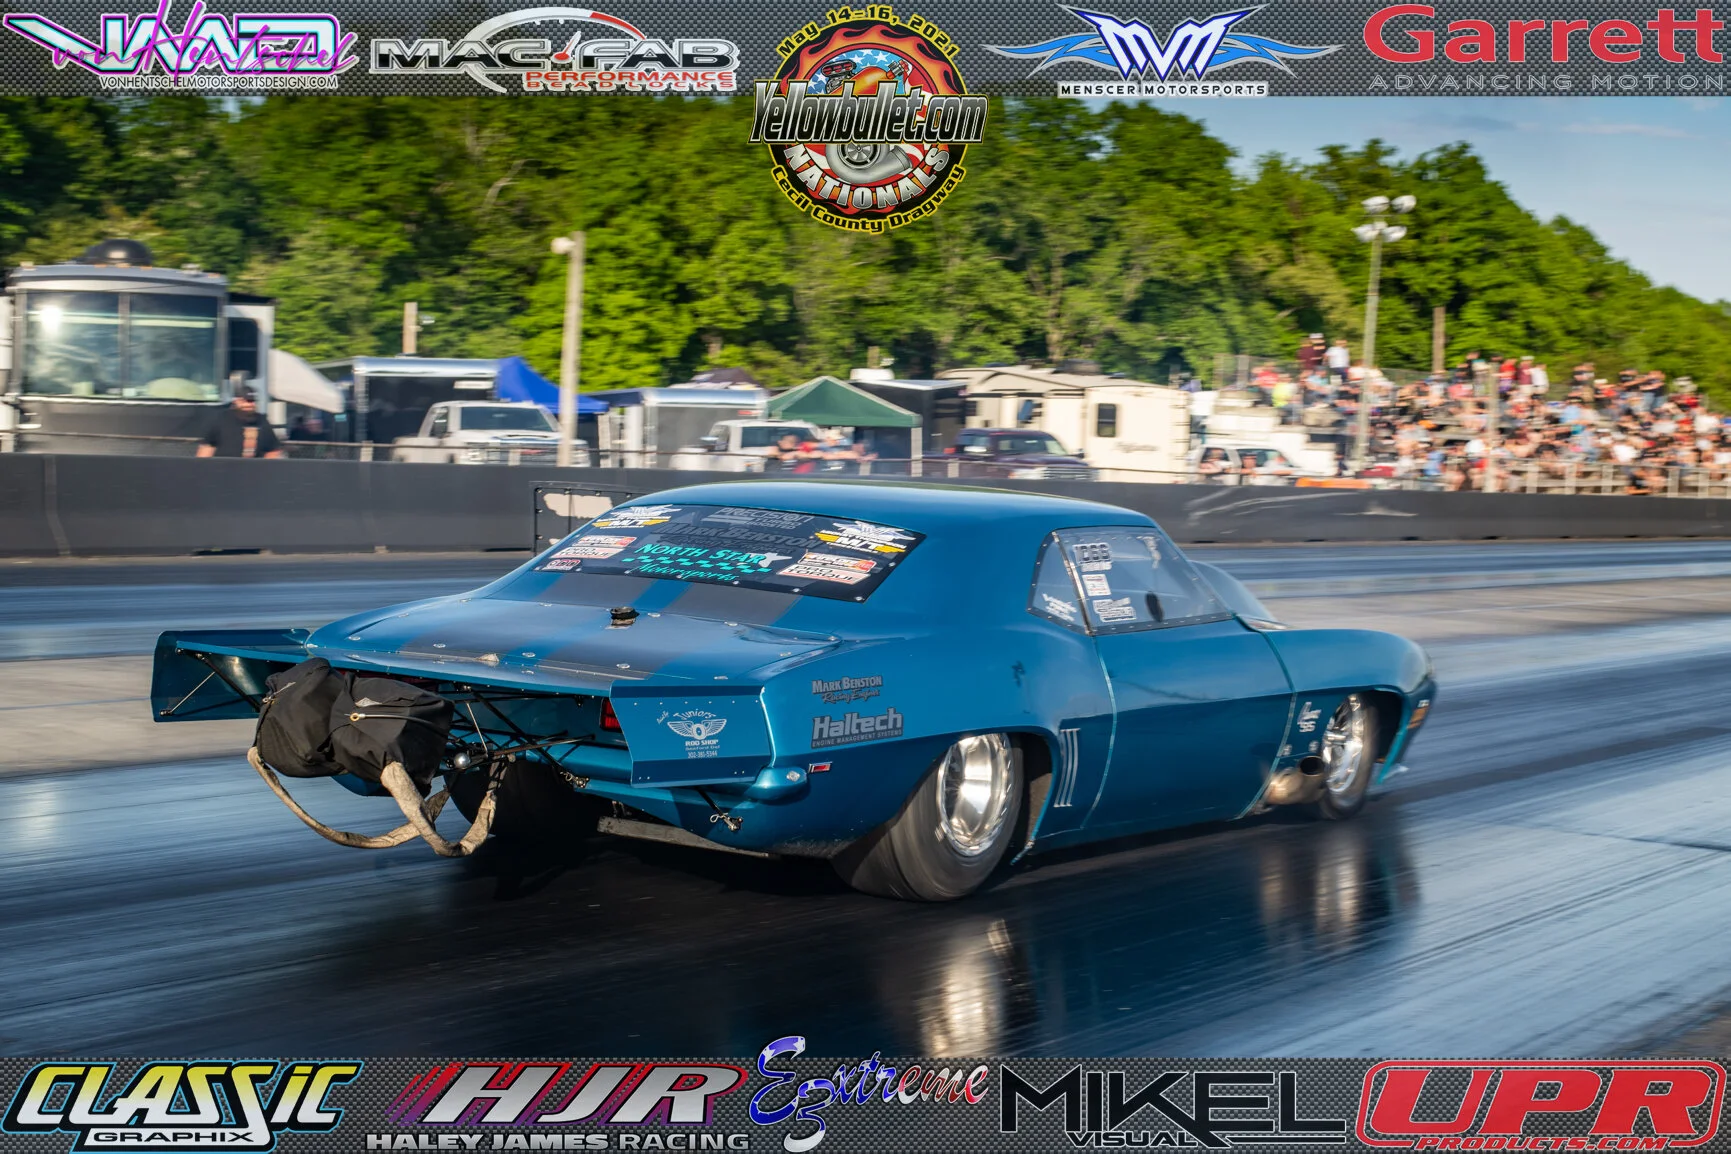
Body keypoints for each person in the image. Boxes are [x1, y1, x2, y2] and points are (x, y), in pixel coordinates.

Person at [198, 390, 283, 459]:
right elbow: (207, 447)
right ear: (236, 401)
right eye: (245, 400)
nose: (249, 404)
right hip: (223, 469)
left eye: (252, 401)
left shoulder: (262, 421)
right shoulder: (221, 419)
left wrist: (265, 468)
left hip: (253, 471)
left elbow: (272, 450)